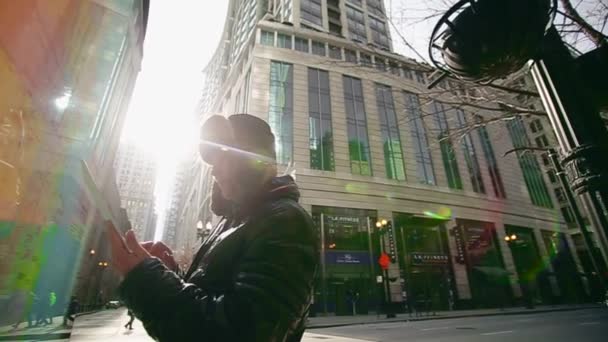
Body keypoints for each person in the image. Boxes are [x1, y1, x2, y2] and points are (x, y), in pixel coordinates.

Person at [107, 114, 319, 341]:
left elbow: (243, 331)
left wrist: (145, 278)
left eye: (223, 159)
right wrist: (168, 272)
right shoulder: (233, 221)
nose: (214, 171)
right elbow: (208, 300)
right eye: (212, 162)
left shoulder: (285, 221)